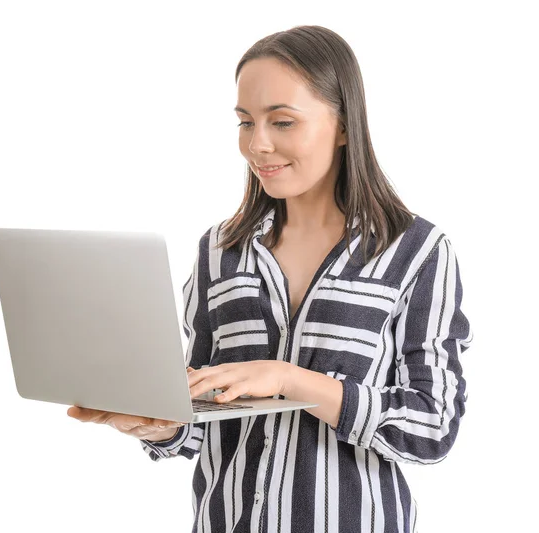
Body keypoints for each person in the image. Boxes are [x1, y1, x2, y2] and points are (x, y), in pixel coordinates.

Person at [67, 25, 473, 533]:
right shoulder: (220, 251)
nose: (257, 145)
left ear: (344, 125)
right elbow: (202, 416)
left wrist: (289, 379)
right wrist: (160, 423)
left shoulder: (417, 252)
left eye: (282, 122)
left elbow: (433, 426)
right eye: (244, 122)